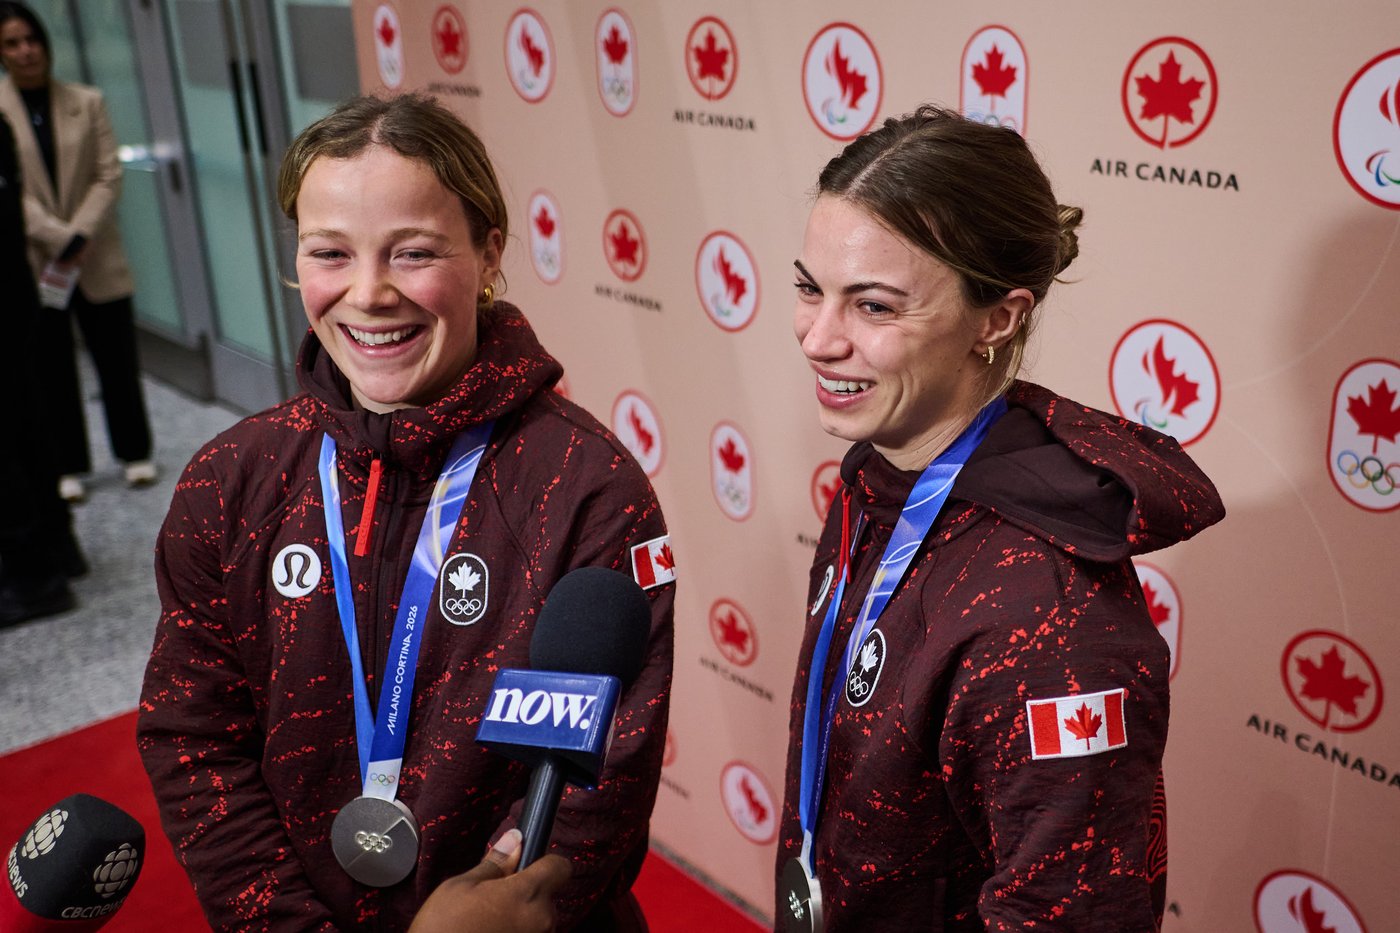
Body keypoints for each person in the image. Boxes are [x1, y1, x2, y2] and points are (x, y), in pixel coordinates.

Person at [137, 93, 674, 931]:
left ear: (488, 252)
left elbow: (599, 784)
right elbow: (193, 735)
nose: (369, 292)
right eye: (330, 252)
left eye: (413, 251)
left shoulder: (585, 486)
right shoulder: (232, 481)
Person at [775, 106, 1224, 932]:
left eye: (872, 306)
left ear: (998, 319)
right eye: (811, 287)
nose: (818, 337)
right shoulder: (877, 477)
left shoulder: (1052, 614)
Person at [0, 1, 156, 503]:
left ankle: (135, 453)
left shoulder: (85, 100)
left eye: (32, 39)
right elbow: (9, 190)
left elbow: (108, 174)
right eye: (12, 43)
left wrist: (78, 234)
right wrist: (54, 236)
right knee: (50, 367)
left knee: (115, 355)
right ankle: (68, 464)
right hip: (36, 261)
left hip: (93, 255)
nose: (26, 51)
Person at [0, 104, 84, 627]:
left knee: (11, 445)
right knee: (27, 431)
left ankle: (34, 578)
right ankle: (57, 548)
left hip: (8, 306)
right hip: (13, 304)